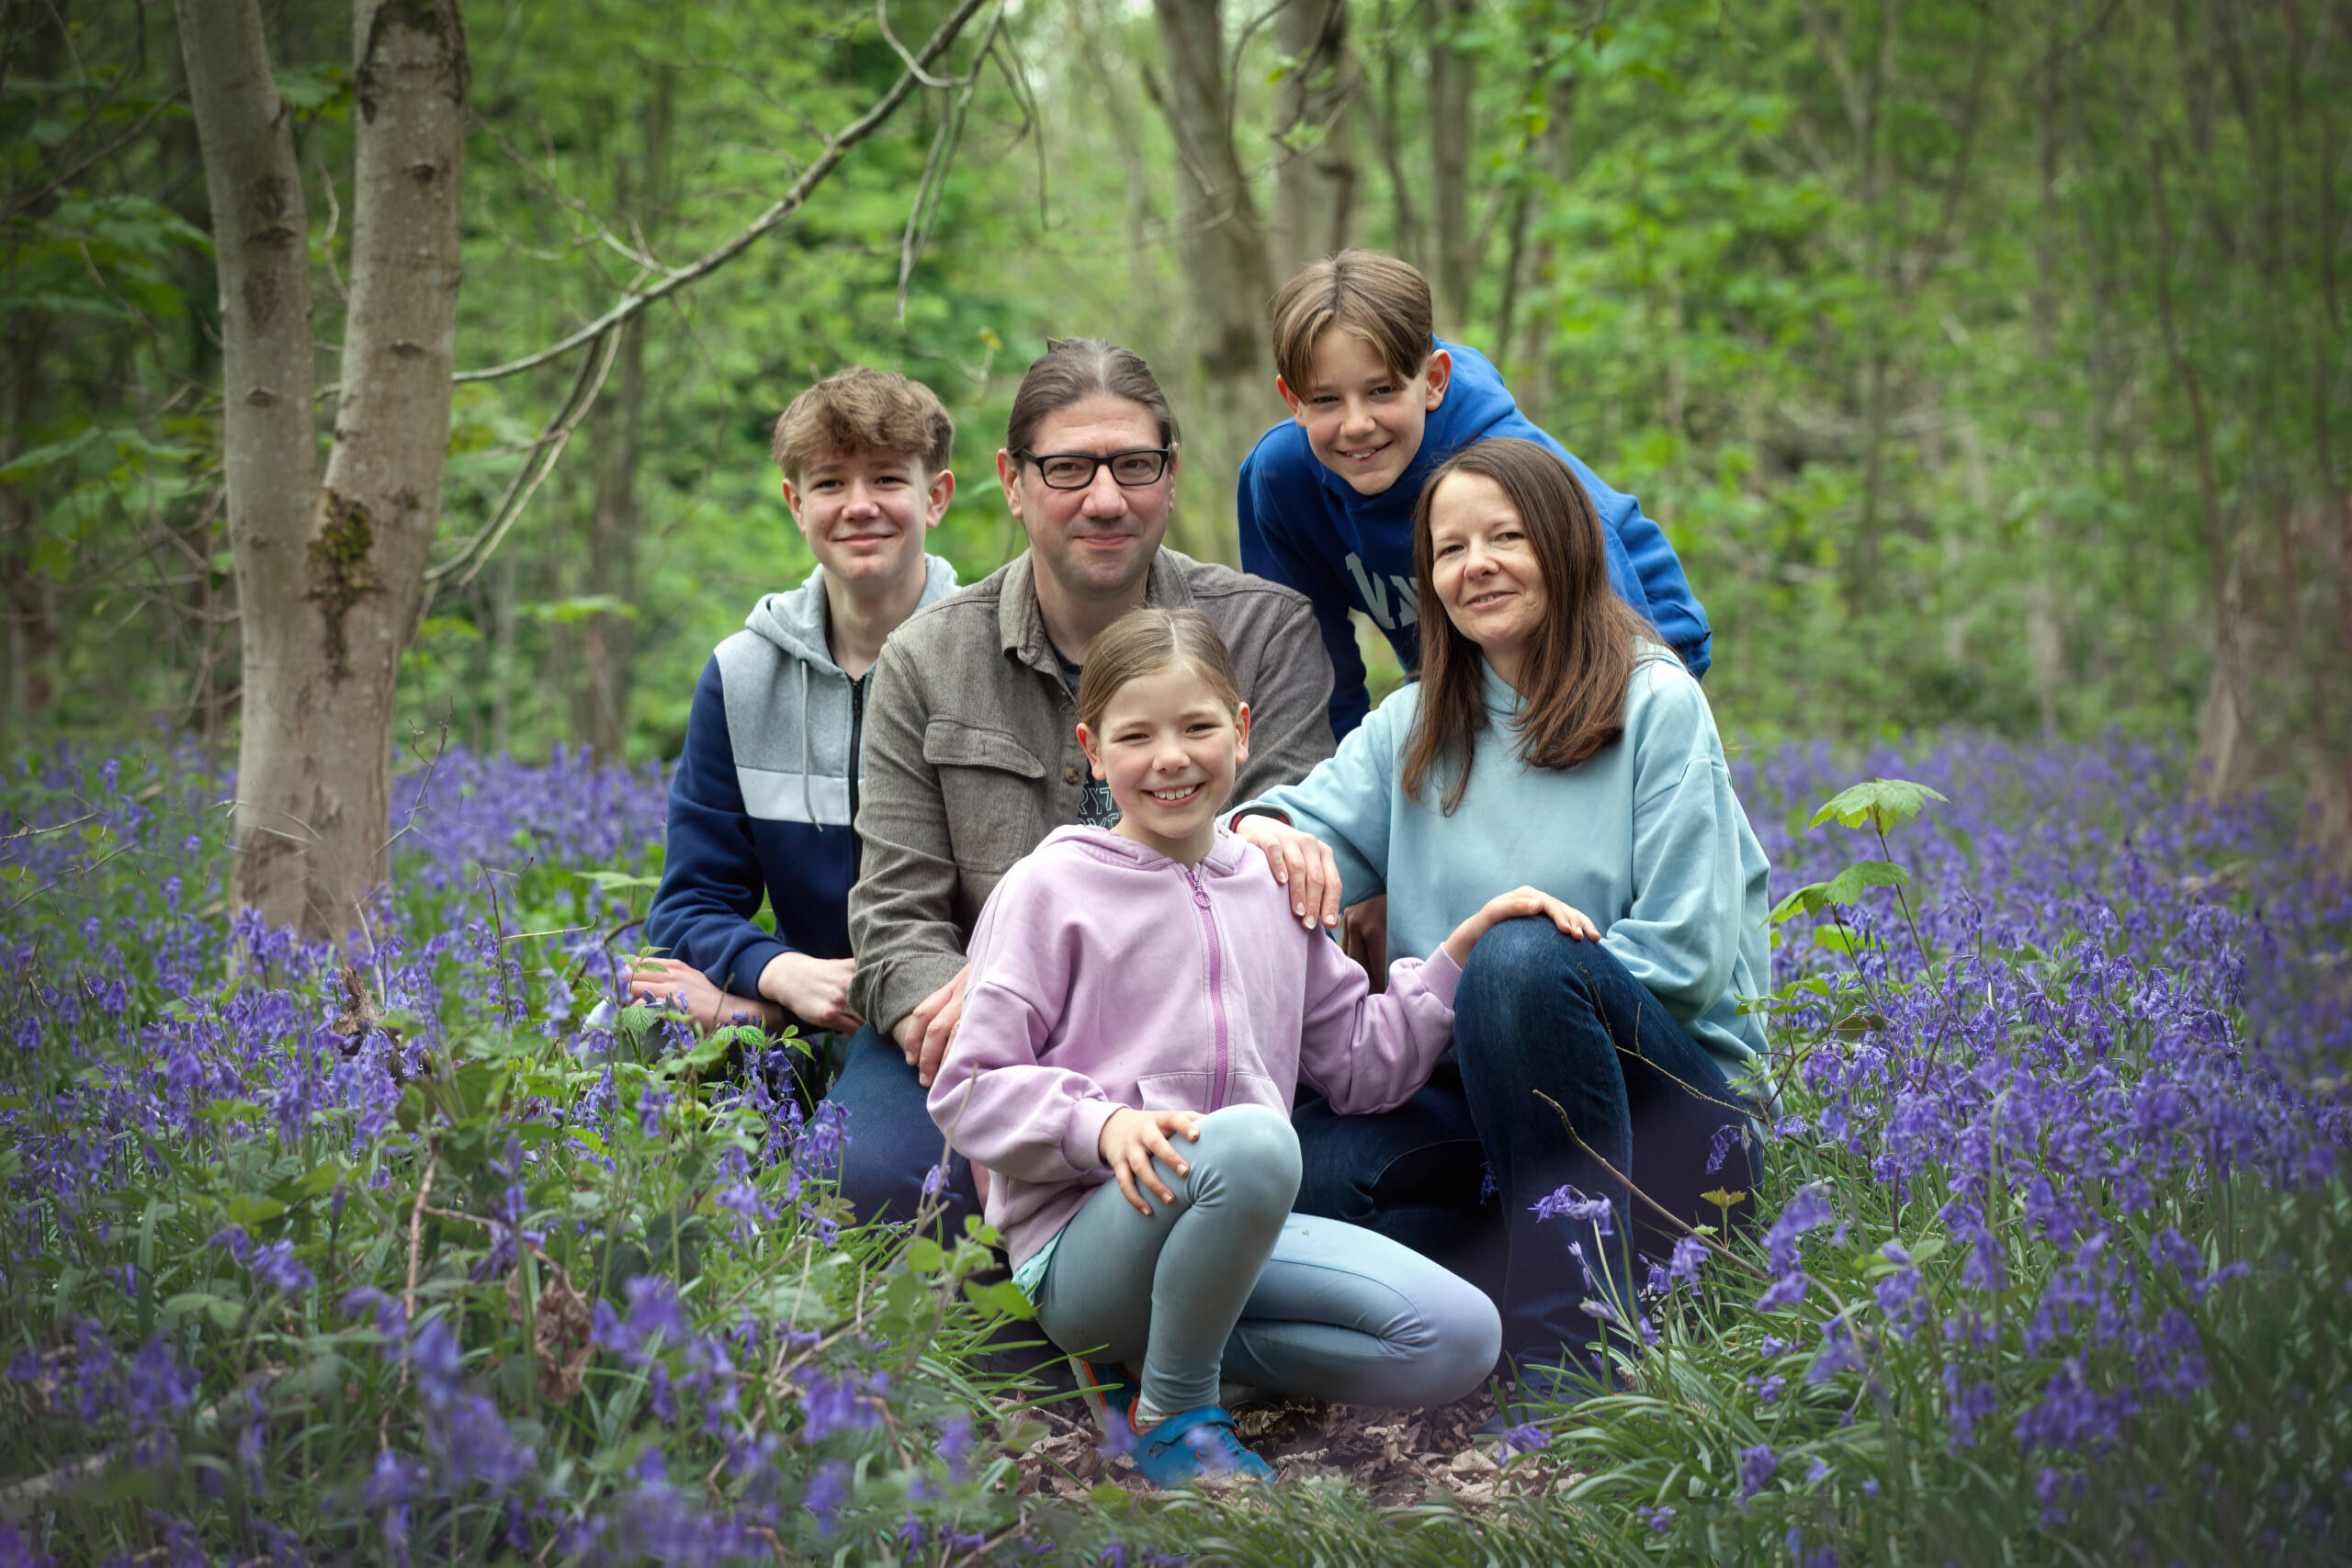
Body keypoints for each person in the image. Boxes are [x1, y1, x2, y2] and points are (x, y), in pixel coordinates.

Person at [928, 607, 1534, 1487]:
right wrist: (1100, 1128)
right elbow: (967, 1086)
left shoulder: (1266, 886)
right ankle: (1175, 1418)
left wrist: (1456, 962)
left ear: (1241, 732)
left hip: (1235, 1229)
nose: (1170, 758)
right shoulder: (1049, 887)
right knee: (1254, 1140)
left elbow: (1362, 1069)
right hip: (1084, 1248)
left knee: (1458, 1337)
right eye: (1137, 735)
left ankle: (1164, 1367)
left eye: (1198, 727)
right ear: (1095, 752)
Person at [1229, 437, 1770, 1411]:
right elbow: (1262, 836)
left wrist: (1496, 986)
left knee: (1519, 958)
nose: (1474, 565)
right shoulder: (1417, 721)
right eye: (1448, 549)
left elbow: (1690, 961)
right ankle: (1552, 1285)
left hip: (1673, 1119)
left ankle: (1572, 1364)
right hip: (1482, 1111)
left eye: (1505, 537)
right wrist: (1266, 831)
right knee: (1303, 1178)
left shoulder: (1656, 703)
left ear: (1563, 547)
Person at [838, 338, 1340, 1227]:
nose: (1105, 500)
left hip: (1191, 1029)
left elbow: (1288, 827)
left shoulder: (1265, 634)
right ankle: (1000, 1361)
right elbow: (894, 909)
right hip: (987, 1027)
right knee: (879, 1178)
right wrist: (946, 1011)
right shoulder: (925, 659)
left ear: (1172, 477)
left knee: (1315, 1180)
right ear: (1012, 479)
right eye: (1068, 468)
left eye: (1134, 466)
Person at [1238, 250, 1713, 742]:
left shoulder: (1503, 464)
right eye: (1326, 399)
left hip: (1636, 637)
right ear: (1293, 401)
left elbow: (1613, 637)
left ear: (1434, 381)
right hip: (1469, 679)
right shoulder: (1281, 480)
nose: (1357, 425)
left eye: (1381, 391)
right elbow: (1309, 678)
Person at [628, 367, 960, 1057]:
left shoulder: (989, 657)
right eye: (831, 482)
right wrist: (780, 972)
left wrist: (756, 1011)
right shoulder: (742, 675)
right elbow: (689, 904)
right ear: (795, 502)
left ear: (938, 497)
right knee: (626, 1022)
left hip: (946, 1015)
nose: (859, 505)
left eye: (889, 479)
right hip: (801, 996)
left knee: (874, 1166)